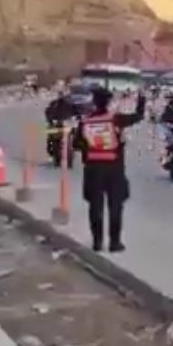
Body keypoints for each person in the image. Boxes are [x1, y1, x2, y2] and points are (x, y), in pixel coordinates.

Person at [73, 85, 147, 252]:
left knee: (95, 206)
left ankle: (97, 242)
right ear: (108, 102)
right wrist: (141, 99)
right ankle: (115, 242)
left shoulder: (85, 122)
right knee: (115, 206)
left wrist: (89, 147)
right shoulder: (115, 119)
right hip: (114, 169)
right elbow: (139, 116)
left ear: (94, 102)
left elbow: (76, 144)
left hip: (92, 169)